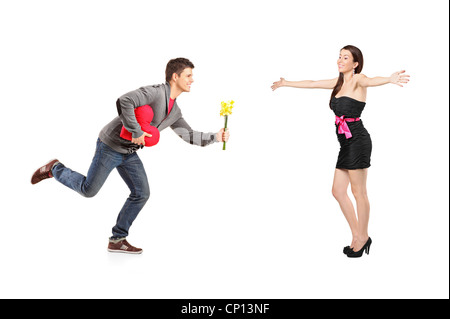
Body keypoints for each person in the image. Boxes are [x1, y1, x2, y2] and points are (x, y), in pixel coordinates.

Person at [31, 58, 230, 254]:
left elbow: (189, 136)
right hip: (110, 145)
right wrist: (135, 131)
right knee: (88, 190)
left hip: (129, 153)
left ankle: (117, 239)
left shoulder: (174, 111)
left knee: (141, 193)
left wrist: (215, 136)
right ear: (175, 76)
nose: (192, 79)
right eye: (188, 75)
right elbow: (124, 100)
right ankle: (54, 168)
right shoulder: (154, 92)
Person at [271, 45, 409, 258]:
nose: (340, 60)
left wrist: (389, 79)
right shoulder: (338, 83)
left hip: (358, 141)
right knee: (337, 191)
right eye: (339, 56)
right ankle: (357, 234)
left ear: (355, 64)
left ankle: (362, 237)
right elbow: (313, 84)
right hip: (345, 144)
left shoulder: (358, 80)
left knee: (359, 193)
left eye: (346, 57)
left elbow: (372, 80)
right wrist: (285, 83)